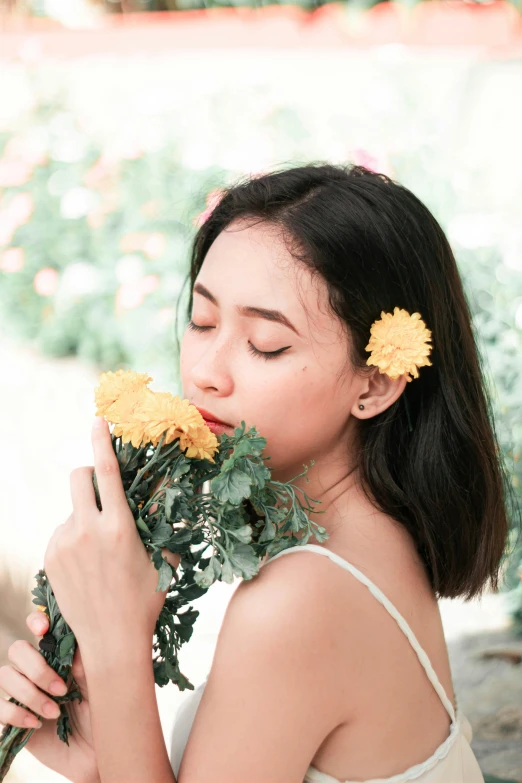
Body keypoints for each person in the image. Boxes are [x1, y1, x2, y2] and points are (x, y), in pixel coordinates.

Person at [0, 163, 515, 783]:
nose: (206, 374)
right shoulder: (366, 540)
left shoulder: (302, 600)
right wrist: (95, 757)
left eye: (266, 344)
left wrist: (115, 644)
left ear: (375, 381)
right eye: (203, 321)